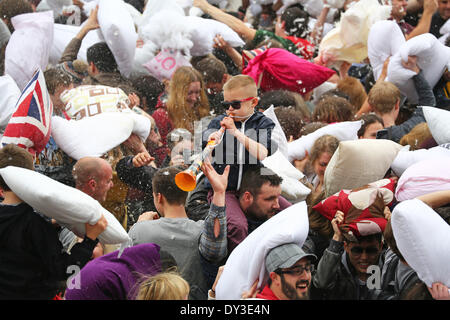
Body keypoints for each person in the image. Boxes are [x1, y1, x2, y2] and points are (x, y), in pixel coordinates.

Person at [0, 144, 107, 299]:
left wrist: (51, 226)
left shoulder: (33, 225)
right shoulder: (35, 224)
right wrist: (89, 240)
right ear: (30, 179)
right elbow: (64, 269)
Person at [127, 161, 229, 300]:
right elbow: (216, 248)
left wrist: (138, 226)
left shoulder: (140, 230)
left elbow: (122, 265)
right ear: (186, 195)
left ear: (159, 197)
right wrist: (219, 193)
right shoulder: (200, 230)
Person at [193, 0, 315, 59]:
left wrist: (205, 6)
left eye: (277, 21)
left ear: (282, 24)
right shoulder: (310, 48)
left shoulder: (282, 43)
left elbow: (241, 29)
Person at [312, 211, 385, 300]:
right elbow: (322, 282)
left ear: (381, 247)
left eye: (371, 251)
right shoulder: (337, 267)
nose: (364, 257)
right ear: (346, 247)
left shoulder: (388, 267)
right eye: (357, 251)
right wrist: (337, 237)